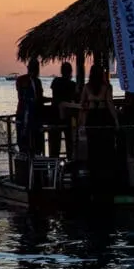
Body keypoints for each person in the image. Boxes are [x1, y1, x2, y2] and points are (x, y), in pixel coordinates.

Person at [78, 63, 120, 192]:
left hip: (92, 118)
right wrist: (116, 120)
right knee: (105, 148)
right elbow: (110, 105)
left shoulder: (86, 87)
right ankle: (105, 177)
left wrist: (81, 123)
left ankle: (94, 177)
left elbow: (82, 106)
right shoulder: (106, 87)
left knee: (93, 148)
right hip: (103, 117)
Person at [15, 58, 45, 155]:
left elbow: (39, 98)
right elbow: (22, 97)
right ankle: (26, 161)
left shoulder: (37, 81)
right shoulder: (22, 80)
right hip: (24, 115)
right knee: (24, 142)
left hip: (35, 116)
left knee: (37, 143)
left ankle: (36, 160)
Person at [49, 62, 76, 158]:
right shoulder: (72, 84)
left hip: (54, 115)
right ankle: (70, 163)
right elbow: (73, 99)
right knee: (70, 142)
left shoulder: (55, 81)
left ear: (61, 71)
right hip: (67, 116)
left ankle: (53, 166)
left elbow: (54, 97)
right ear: (70, 72)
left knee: (54, 145)